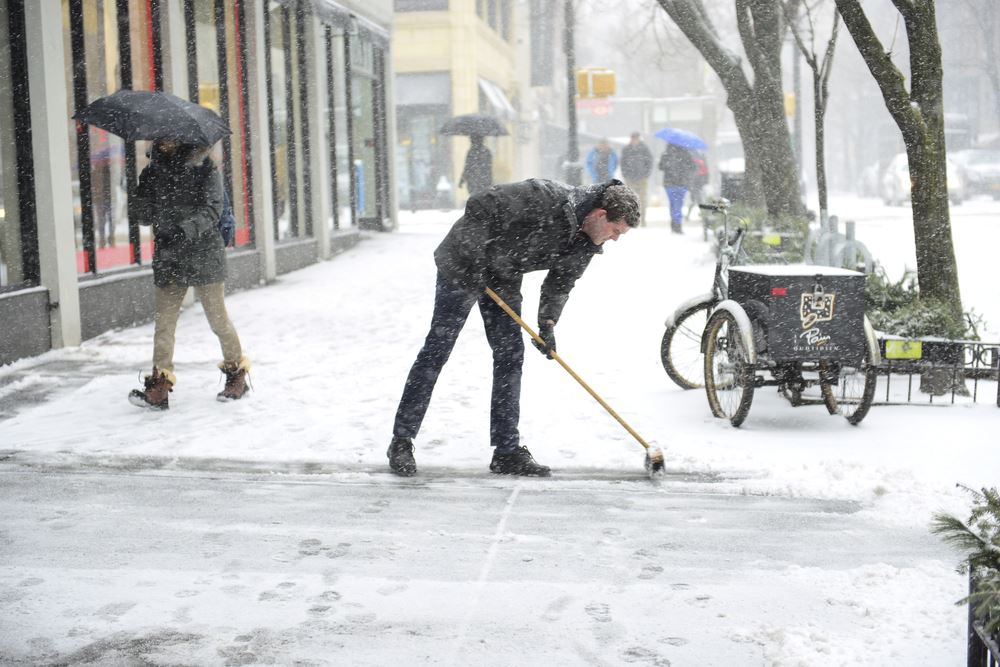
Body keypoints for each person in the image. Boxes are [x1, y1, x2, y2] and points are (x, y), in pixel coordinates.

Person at [387, 178, 640, 477]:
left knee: (510, 356)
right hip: (463, 264)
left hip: (503, 273)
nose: (615, 239)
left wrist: (548, 322)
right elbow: (481, 203)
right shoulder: (545, 198)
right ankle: (401, 440)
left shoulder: (586, 242)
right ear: (600, 215)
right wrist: (476, 261)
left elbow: (561, 282)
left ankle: (506, 451)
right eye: (615, 230)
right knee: (438, 350)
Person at [127, 139, 249, 410]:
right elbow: (144, 216)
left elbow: (212, 209)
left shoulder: (204, 167)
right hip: (169, 257)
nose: (162, 141)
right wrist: (140, 193)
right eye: (159, 137)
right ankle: (159, 385)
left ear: (181, 138)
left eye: (168, 136)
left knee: (218, 320)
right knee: (164, 325)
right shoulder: (153, 171)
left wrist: (183, 230)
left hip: (204, 253)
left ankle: (236, 373)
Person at [658, 143, 697, 234]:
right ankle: (677, 224)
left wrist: (669, 165)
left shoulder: (666, 153)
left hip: (670, 183)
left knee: (673, 203)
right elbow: (693, 167)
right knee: (678, 203)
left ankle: (674, 223)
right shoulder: (686, 153)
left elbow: (660, 166)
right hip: (681, 183)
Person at [619, 132, 654, 226]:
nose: (634, 140)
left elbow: (650, 162)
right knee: (630, 200)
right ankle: (632, 219)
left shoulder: (644, 149)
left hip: (642, 178)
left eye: (636, 138)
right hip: (630, 178)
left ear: (639, 138)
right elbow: (622, 163)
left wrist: (646, 174)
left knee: (642, 199)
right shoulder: (626, 149)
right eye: (633, 138)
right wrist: (625, 174)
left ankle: (642, 219)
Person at [685, 151, 709, 221]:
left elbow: (691, 175)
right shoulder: (701, 163)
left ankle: (690, 215)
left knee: (695, 201)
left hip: (695, 185)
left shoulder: (694, 162)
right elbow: (705, 173)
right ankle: (702, 216)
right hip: (697, 185)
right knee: (698, 201)